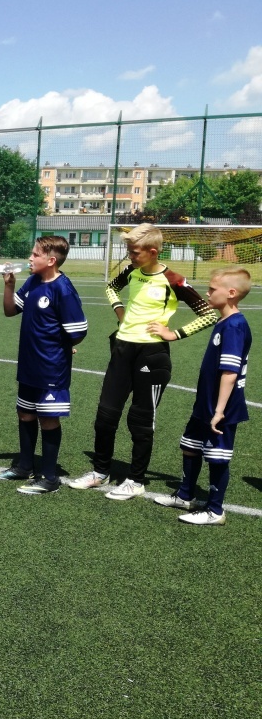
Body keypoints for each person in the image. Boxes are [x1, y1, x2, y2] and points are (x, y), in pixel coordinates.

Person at [69, 224, 218, 500]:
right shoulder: (131, 271)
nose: (130, 256)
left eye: (134, 252)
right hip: (122, 349)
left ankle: (136, 480)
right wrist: (120, 311)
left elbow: (209, 315)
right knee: (105, 416)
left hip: (152, 355)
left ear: (152, 252)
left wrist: (174, 333)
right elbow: (111, 288)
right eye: (128, 251)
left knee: (139, 420)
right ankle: (100, 472)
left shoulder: (174, 280)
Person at [152, 268, 251, 525]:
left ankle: (215, 511)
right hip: (205, 403)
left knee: (217, 457)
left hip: (222, 407)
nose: (207, 293)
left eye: (212, 289)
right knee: (190, 446)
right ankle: (186, 495)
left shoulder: (235, 326)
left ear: (231, 293)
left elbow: (230, 372)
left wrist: (219, 411)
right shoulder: (223, 321)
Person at [0, 236, 88, 493]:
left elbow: (79, 330)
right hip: (29, 364)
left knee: (48, 419)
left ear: (51, 260)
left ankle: (49, 477)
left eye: (35, 254)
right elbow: (10, 310)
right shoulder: (33, 281)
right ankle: (24, 466)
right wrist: (9, 286)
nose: (30, 258)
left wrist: (63, 346)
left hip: (51, 367)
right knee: (25, 414)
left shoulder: (63, 289)